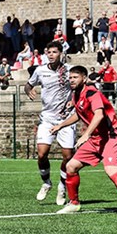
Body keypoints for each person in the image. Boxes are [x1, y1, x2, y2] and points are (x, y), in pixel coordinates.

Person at [50, 65, 117, 218]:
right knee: (71, 166)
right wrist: (61, 125)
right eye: (70, 77)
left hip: (110, 137)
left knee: (111, 171)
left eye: (75, 77)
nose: (71, 80)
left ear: (84, 78)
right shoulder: (76, 95)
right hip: (96, 139)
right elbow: (79, 115)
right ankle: (74, 203)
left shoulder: (93, 93)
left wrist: (86, 134)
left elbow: (98, 115)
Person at [25, 41, 75, 205]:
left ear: (61, 53)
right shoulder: (40, 70)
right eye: (49, 52)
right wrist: (29, 90)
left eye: (54, 52)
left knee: (68, 156)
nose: (51, 55)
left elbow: (80, 86)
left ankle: (62, 186)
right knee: (41, 154)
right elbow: (28, 84)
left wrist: (74, 101)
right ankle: (46, 182)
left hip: (66, 118)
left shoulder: (68, 70)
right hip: (47, 117)